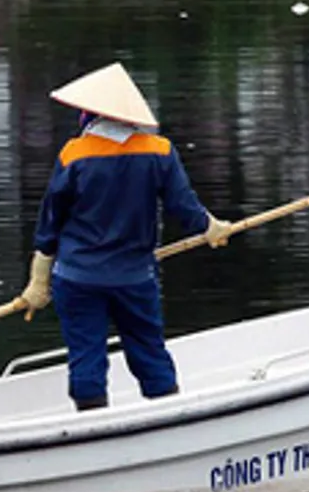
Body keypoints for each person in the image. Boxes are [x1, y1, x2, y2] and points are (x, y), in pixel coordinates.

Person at [21, 63, 233, 411]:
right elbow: (184, 207)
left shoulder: (74, 154)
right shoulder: (159, 150)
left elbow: (51, 222)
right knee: (149, 351)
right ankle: (166, 418)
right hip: (134, 277)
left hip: (77, 278)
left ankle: (91, 427)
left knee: (86, 357)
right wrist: (212, 228)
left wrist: (38, 282)